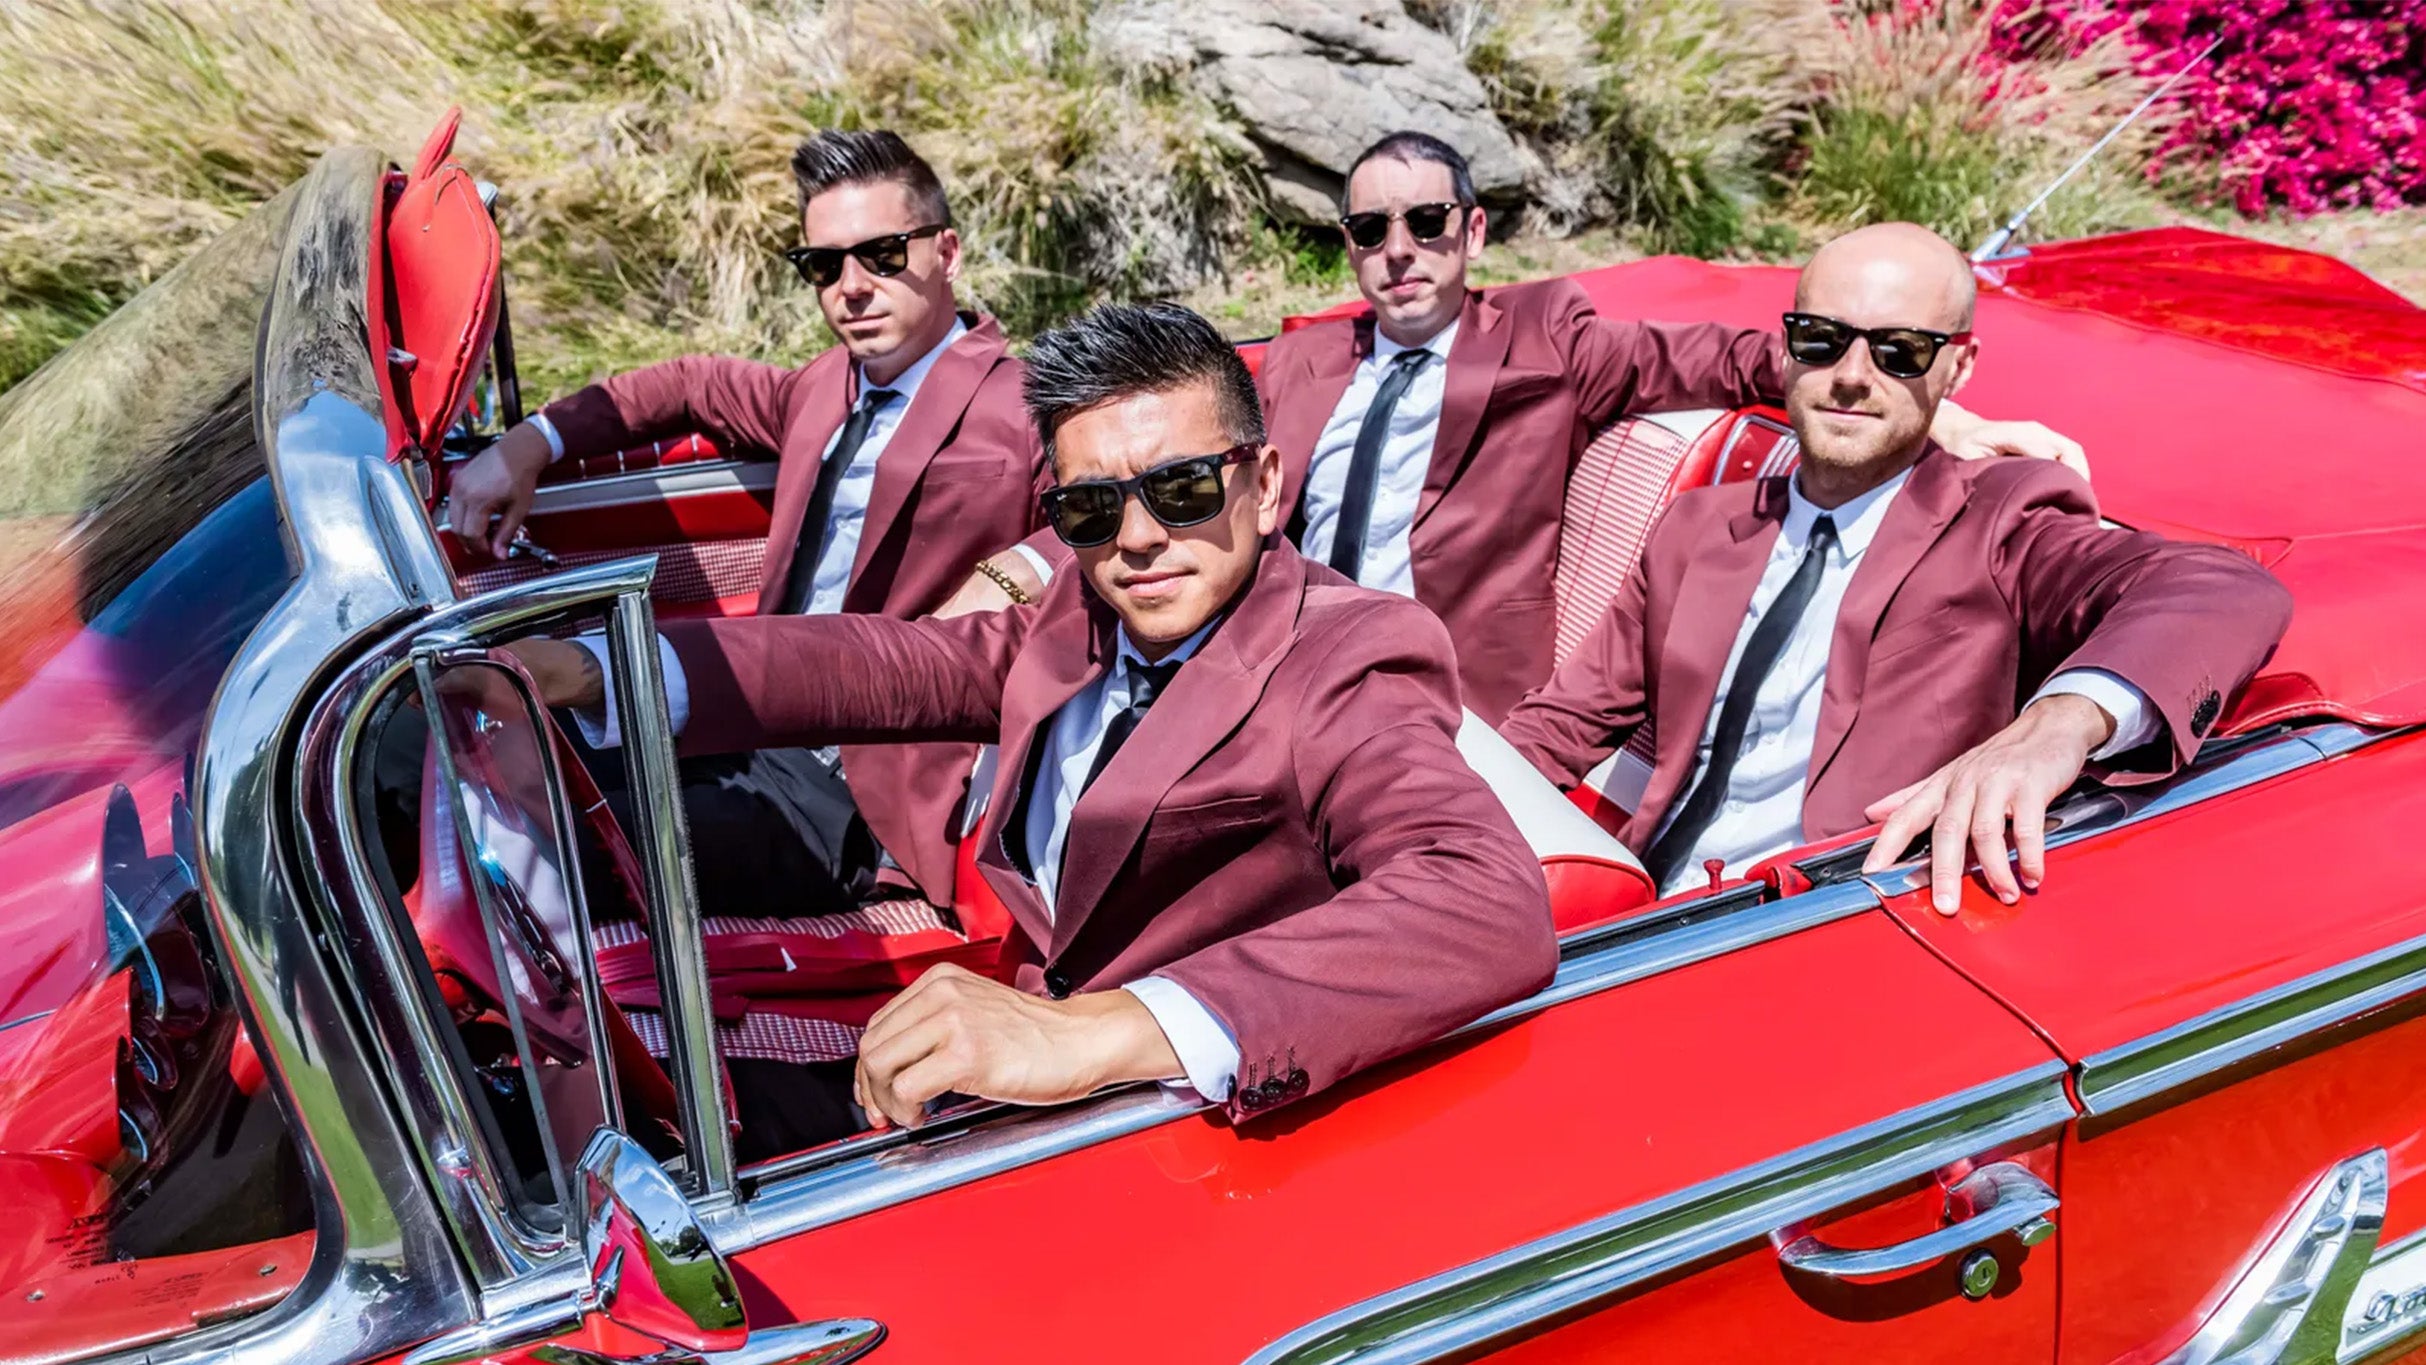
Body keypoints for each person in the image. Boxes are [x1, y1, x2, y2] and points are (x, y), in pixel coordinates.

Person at [509, 301, 1557, 1142]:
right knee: (598, 1121)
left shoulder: (1349, 659)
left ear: (1266, 483)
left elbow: (1482, 896)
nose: (1136, 538)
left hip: (1159, 1116)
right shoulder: (1087, 614)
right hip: (1003, 1052)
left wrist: (1099, 1030)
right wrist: (602, 670)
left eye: (1182, 489)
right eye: (1091, 509)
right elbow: (893, 665)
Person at [954, 131, 2086, 722]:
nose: (1399, 250)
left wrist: (1935, 407)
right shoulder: (1301, 357)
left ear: (1474, 232)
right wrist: (1014, 570)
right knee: (1018, 699)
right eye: (1369, 230)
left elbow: (1738, 354)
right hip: (1255, 641)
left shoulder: (1549, 337)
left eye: (1426, 222)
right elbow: (1161, 471)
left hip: (1431, 679)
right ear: (1347, 248)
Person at [1496, 222, 2292, 912]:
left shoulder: (1999, 521)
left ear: (1958, 368)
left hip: (1835, 919)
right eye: (1821, 338)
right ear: (1787, 347)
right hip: (1643, 910)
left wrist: (2057, 724)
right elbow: (1563, 724)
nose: (1851, 374)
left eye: (1899, 351)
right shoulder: (1701, 526)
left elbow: (2222, 588)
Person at [448, 129, 1045, 914]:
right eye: (824, 266)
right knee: (463, 763)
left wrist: (1018, 569)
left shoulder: (1024, 404)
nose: (853, 287)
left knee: (543, 858)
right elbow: (688, 385)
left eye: (882, 255)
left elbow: (1125, 515)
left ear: (948, 252)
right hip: (739, 718)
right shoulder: (823, 386)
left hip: (858, 783)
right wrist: (528, 444)